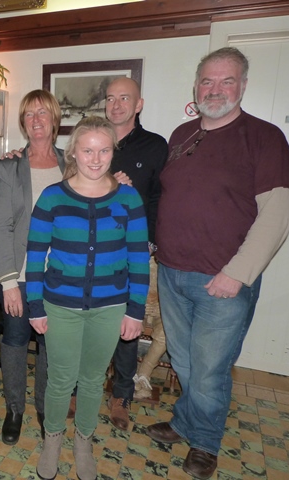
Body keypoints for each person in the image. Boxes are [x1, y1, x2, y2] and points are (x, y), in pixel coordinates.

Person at [148, 47, 289, 480]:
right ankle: (184, 423)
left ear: (242, 86)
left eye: (226, 81)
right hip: (172, 271)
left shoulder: (264, 137)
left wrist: (238, 273)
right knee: (184, 360)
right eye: (207, 81)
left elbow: (277, 214)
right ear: (196, 86)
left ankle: (205, 443)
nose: (215, 89)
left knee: (209, 369)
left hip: (222, 281)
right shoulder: (182, 134)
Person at [28, 116, 149, 480]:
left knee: (94, 380)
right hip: (60, 305)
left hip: (110, 307)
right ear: (73, 153)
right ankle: (52, 439)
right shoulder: (52, 197)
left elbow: (138, 257)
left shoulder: (128, 198)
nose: (95, 159)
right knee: (60, 379)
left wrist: (135, 311)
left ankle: (83, 441)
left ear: (113, 152)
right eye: (87, 150)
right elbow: (35, 256)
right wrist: (35, 305)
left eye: (104, 150)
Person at [0, 89, 65, 445]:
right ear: (23, 123)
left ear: (55, 119)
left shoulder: (73, 164)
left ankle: (45, 406)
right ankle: (15, 408)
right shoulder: (9, 167)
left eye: (42, 113)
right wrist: (8, 282)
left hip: (62, 276)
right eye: (29, 114)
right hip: (20, 276)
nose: (36, 120)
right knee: (16, 341)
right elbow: (1, 226)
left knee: (53, 345)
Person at [104, 77, 168, 429]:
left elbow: (160, 198)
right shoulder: (94, 140)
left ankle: (121, 397)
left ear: (138, 104)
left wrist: (150, 243)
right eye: (110, 98)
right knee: (89, 319)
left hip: (133, 250)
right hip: (94, 249)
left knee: (128, 325)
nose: (116, 105)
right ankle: (79, 388)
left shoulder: (155, 146)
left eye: (124, 98)